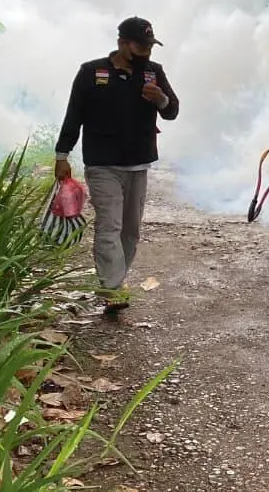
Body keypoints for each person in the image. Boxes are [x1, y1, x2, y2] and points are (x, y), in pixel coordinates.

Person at [55, 16, 180, 315]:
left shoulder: (153, 72)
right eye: (140, 46)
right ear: (122, 43)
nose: (146, 53)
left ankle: (116, 280)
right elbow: (74, 115)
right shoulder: (91, 72)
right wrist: (62, 155)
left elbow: (173, 111)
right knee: (109, 225)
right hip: (103, 163)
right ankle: (111, 288)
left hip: (139, 162)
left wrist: (160, 99)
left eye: (150, 46)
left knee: (130, 230)